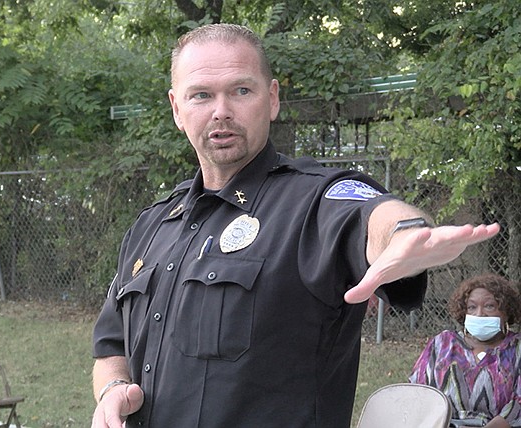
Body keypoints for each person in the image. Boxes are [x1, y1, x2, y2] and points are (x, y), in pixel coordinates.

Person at [90, 23, 501, 428]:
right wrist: (113, 389)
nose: (221, 110)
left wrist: (404, 235)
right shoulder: (153, 225)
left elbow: (373, 214)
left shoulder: (313, 200)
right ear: (177, 109)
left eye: (241, 90)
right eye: (201, 95)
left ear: (271, 100)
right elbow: (111, 344)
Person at [409, 274, 521, 428]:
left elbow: (518, 405)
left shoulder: (517, 348)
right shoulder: (443, 344)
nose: (479, 314)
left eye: (489, 306)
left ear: (506, 312)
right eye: (472, 307)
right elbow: (418, 393)